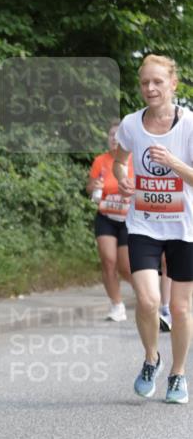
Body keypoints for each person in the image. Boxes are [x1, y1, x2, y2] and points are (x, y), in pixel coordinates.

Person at [113, 55, 193, 404]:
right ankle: (151, 358)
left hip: (184, 227)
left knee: (180, 308)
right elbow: (118, 161)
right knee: (147, 301)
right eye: (145, 82)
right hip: (144, 223)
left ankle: (178, 374)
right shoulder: (131, 124)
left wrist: (174, 163)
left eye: (158, 82)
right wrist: (123, 181)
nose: (150, 88)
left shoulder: (189, 124)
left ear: (173, 84)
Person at [87, 121, 133, 321]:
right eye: (111, 135)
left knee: (126, 267)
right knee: (108, 261)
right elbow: (90, 188)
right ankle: (117, 306)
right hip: (105, 216)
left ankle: (146, 293)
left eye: (117, 135)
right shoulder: (100, 160)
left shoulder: (133, 160)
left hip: (128, 217)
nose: (114, 139)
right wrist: (94, 185)